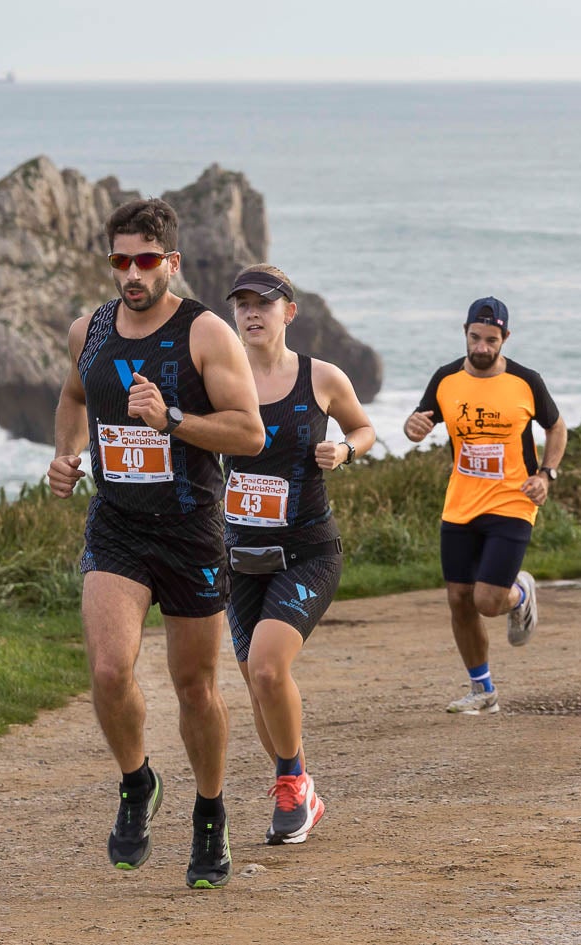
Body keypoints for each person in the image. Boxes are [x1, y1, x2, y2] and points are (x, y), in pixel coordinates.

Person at [47, 198, 265, 889]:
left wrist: (171, 417)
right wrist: (65, 454)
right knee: (109, 670)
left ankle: (209, 809)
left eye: (145, 260)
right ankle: (138, 781)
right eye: (120, 260)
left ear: (171, 261)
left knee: (194, 686)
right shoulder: (91, 328)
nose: (131, 274)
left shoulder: (206, 334)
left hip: (190, 528)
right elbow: (76, 396)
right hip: (117, 523)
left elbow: (250, 433)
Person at [222, 264, 376, 844]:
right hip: (239, 555)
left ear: (289, 312)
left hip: (308, 550)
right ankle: (300, 787)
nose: (252, 312)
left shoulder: (321, 377)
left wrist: (344, 449)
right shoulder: (217, 378)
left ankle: (291, 783)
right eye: (242, 304)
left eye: (264, 303)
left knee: (267, 666)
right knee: (258, 684)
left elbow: (364, 428)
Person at [404, 297, 567, 714]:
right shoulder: (445, 379)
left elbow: (556, 426)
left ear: (505, 338)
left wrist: (545, 474)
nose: (481, 347)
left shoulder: (525, 381)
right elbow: (419, 424)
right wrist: (413, 426)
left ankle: (519, 595)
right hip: (460, 504)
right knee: (459, 598)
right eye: (475, 338)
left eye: (491, 340)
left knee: (487, 601)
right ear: (465, 333)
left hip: (513, 501)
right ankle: (483, 690)